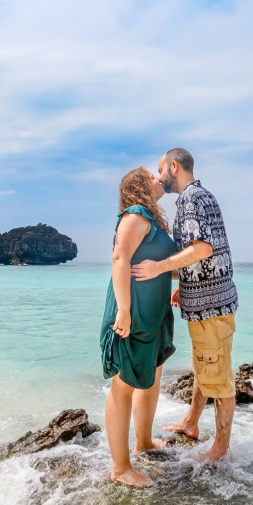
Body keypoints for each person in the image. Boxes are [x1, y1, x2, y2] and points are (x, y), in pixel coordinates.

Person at [132, 148, 238, 463]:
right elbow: (206, 252)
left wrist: (159, 268)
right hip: (211, 302)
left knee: (218, 377)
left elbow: (202, 249)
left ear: (174, 166)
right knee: (204, 366)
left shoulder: (191, 200)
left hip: (211, 308)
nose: (159, 176)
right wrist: (185, 282)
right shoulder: (200, 196)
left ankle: (219, 449)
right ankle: (191, 423)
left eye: (160, 169)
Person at [100, 167, 178, 487]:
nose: (159, 178)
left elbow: (161, 265)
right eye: (152, 176)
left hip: (154, 312)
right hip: (133, 312)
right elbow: (120, 259)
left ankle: (143, 442)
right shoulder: (135, 213)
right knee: (124, 384)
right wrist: (124, 310)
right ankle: (120, 468)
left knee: (151, 375)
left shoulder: (152, 220)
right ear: (139, 186)